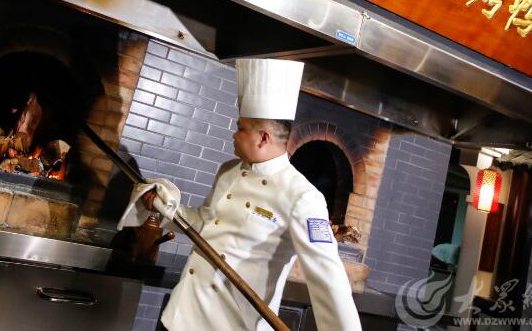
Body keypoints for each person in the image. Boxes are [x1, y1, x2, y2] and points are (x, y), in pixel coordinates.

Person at [119, 59, 362, 331]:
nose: (234, 135)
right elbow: (205, 223)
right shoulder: (228, 171)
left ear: (263, 138)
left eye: (241, 128)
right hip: (180, 316)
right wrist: (164, 207)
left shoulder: (303, 197)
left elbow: (328, 278)